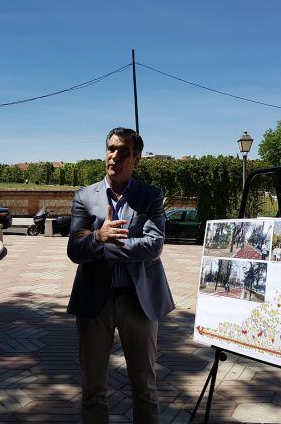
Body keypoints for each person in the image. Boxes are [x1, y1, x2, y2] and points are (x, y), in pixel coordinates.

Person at [67, 127, 175, 424]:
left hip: (137, 300)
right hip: (94, 300)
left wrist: (102, 245)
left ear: (136, 159)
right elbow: (75, 249)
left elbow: (153, 246)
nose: (114, 156)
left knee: (145, 387)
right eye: (111, 149)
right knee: (92, 388)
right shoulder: (84, 196)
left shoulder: (150, 196)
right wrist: (97, 237)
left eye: (123, 151)